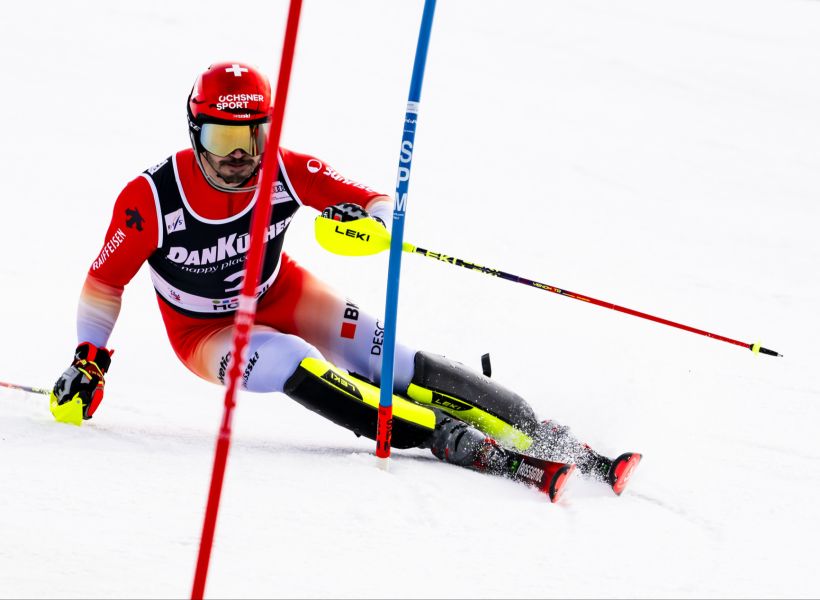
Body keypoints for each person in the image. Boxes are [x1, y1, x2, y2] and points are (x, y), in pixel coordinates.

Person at [50, 61, 639, 498]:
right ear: (193, 130)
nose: (238, 156)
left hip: (281, 291)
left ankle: (542, 433)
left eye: (252, 137)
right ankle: (446, 437)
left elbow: (377, 200)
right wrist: (88, 359)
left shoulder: (285, 169)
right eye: (221, 139)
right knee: (292, 361)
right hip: (204, 333)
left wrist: (372, 221)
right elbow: (104, 283)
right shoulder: (151, 198)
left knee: (390, 359)